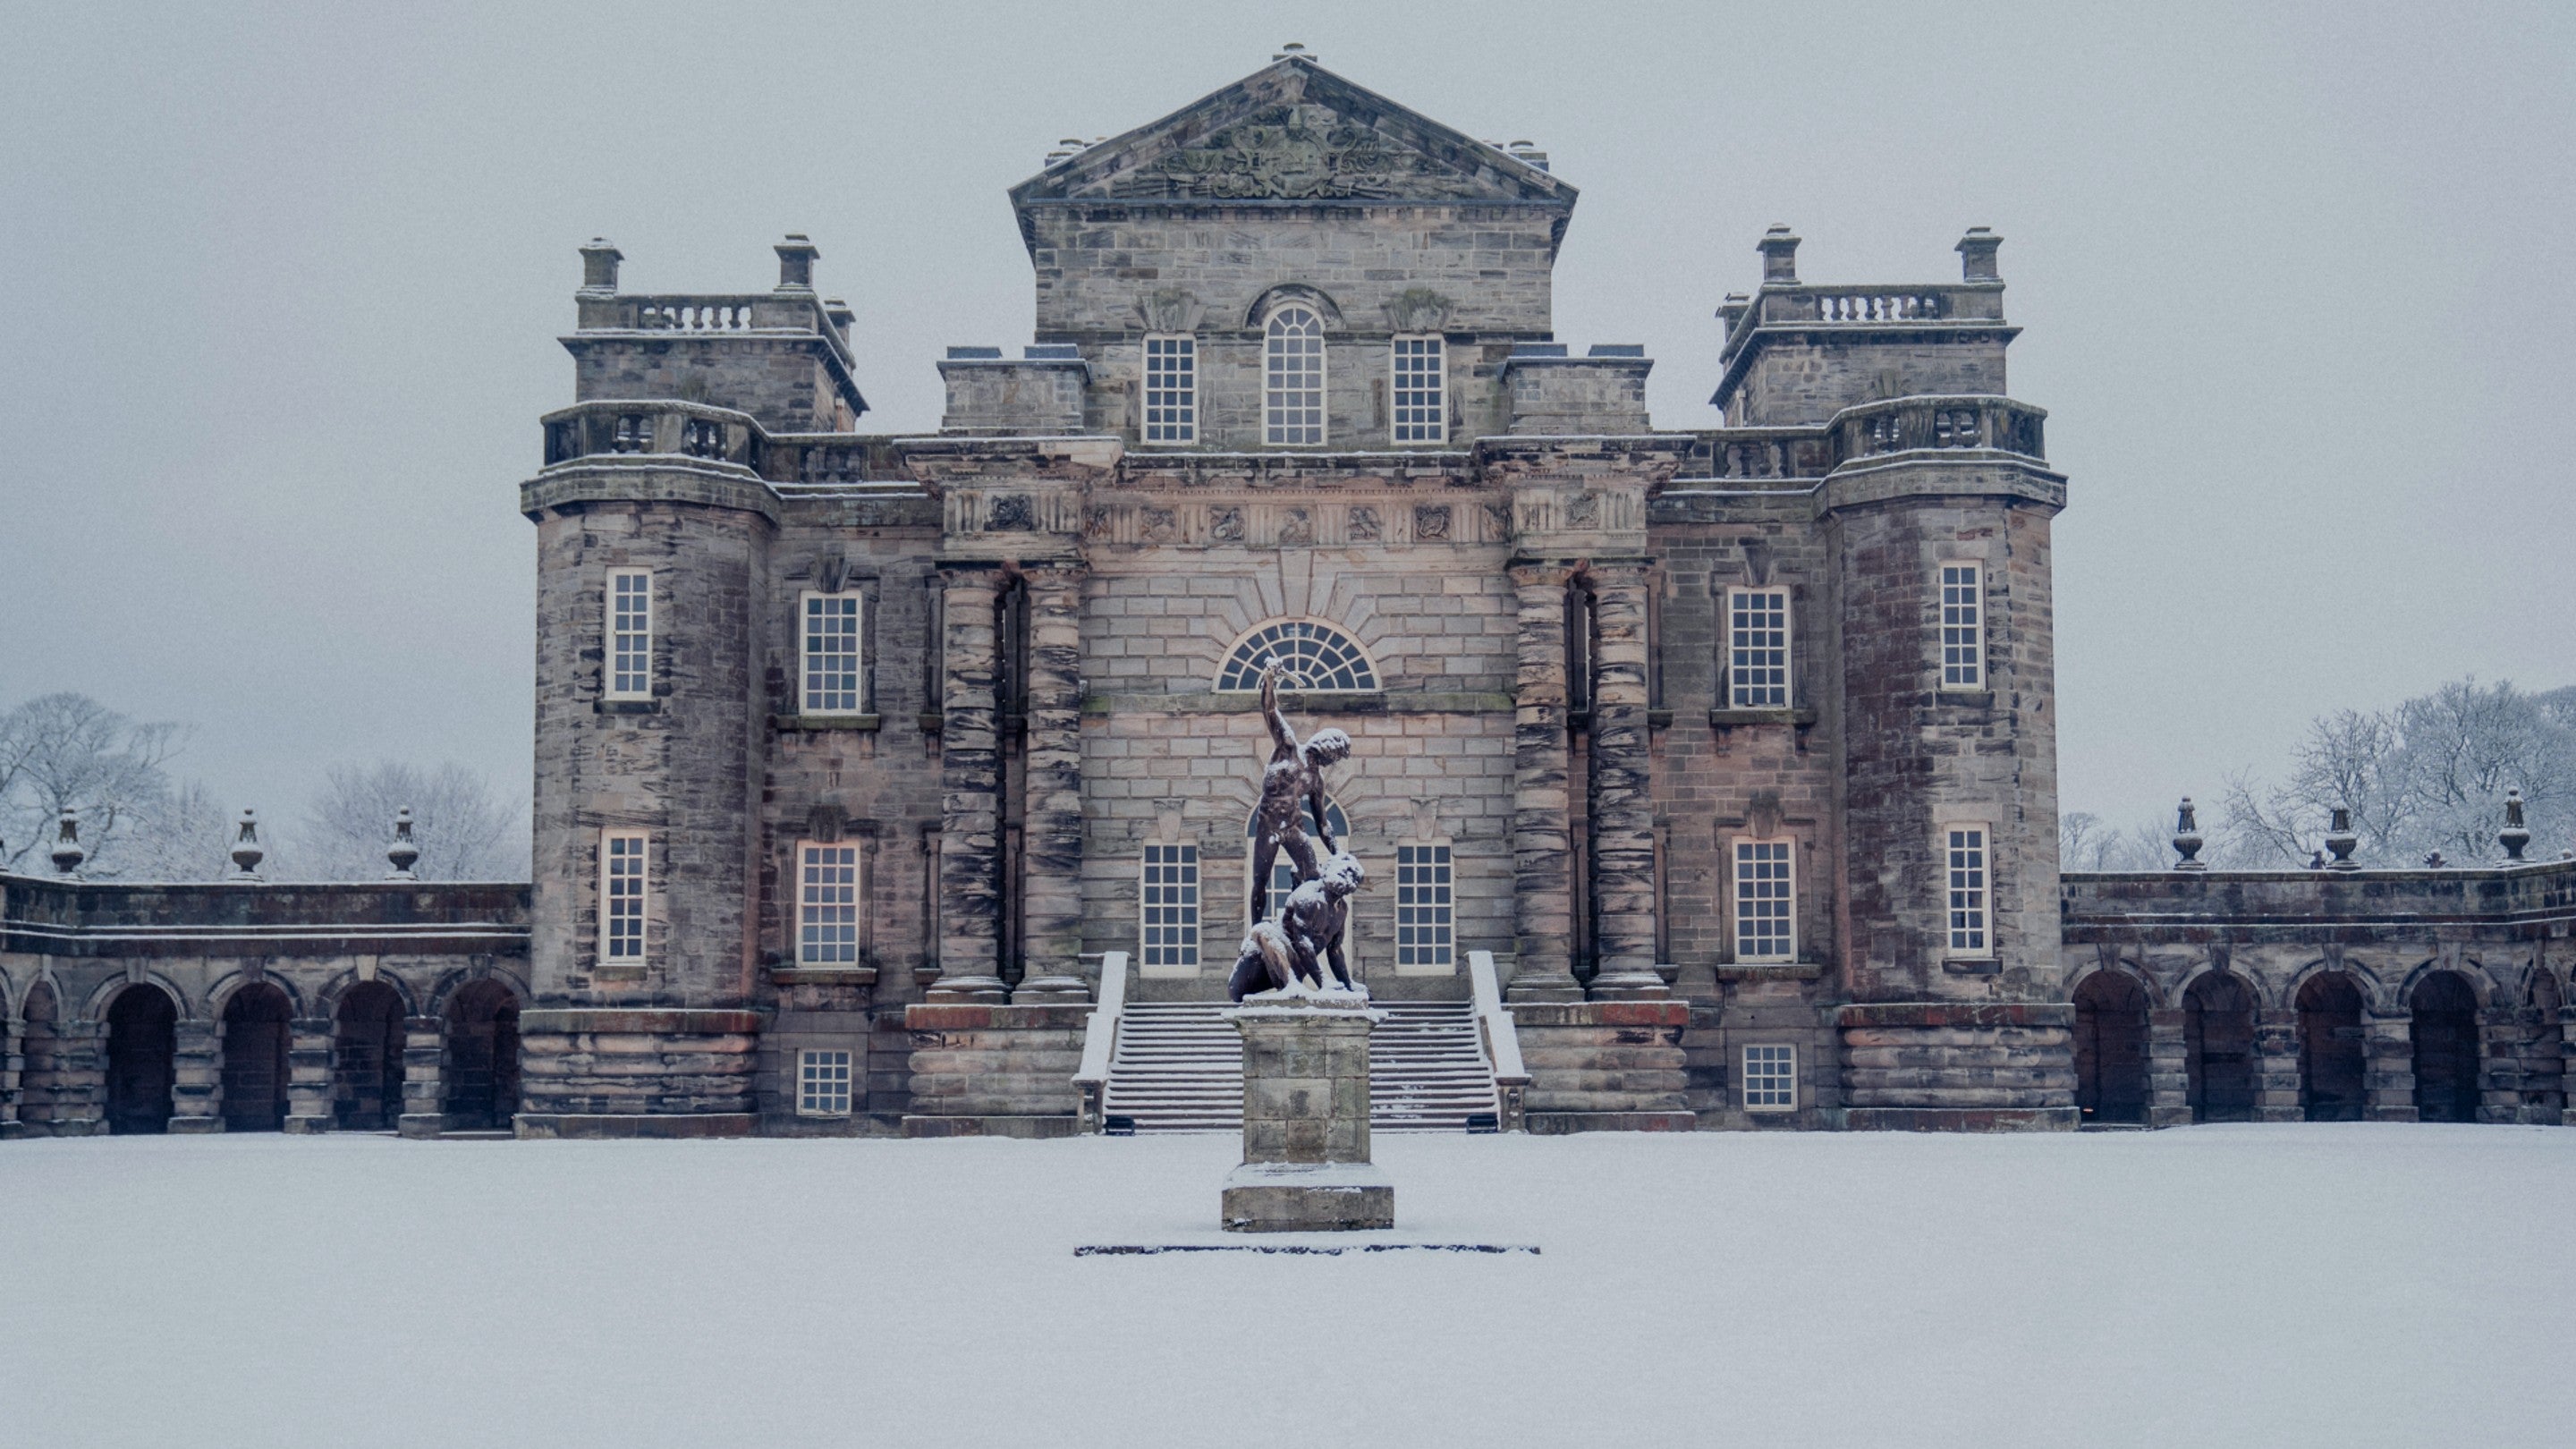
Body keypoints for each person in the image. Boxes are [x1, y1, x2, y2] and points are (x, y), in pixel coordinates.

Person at [1245, 658, 1349, 928]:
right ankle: (1256, 934)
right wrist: (1269, 679)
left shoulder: (1316, 780)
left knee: (1313, 878)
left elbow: (1323, 823)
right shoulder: (1289, 747)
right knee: (1260, 881)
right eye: (1335, 754)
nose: (1333, 760)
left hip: (1293, 827)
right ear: (1326, 746)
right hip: (1268, 823)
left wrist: (1337, 853)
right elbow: (1269, 709)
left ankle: (1298, 923)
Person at [1227, 852, 1368, 1001]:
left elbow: (1335, 950)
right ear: (1326, 872)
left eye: (1351, 876)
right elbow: (1302, 943)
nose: (1345, 880)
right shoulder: (1308, 897)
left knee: (1308, 952)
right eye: (1341, 874)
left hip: (1294, 968)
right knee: (1261, 930)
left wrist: (1347, 984)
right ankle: (1292, 986)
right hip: (1252, 972)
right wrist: (1323, 982)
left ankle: (1293, 984)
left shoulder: (1341, 909)